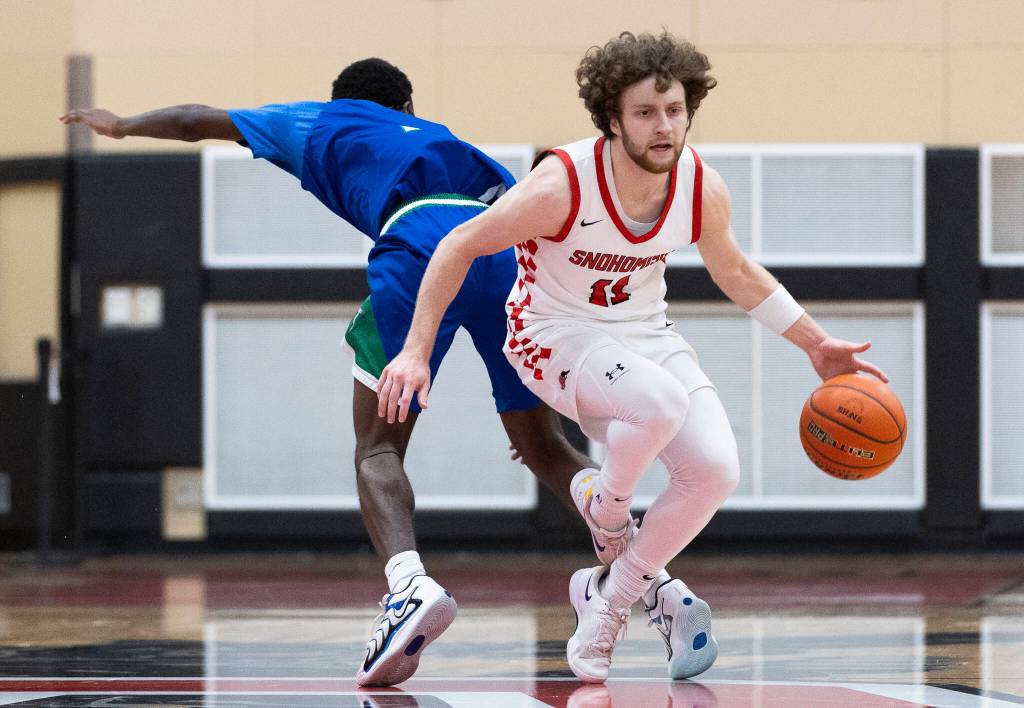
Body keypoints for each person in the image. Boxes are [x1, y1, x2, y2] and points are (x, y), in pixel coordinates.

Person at [59, 57, 595, 687]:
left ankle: (408, 586)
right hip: (505, 251)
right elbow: (537, 227)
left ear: (343, 101)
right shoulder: (452, 141)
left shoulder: (314, 120)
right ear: (408, 110)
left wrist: (121, 125)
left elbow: (193, 120)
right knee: (545, 443)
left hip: (420, 242)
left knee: (377, 448)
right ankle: (648, 570)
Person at [377, 31, 889, 684]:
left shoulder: (700, 186)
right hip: (550, 336)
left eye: (674, 110)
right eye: (646, 112)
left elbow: (734, 271)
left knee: (715, 471)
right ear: (612, 119)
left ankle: (608, 600)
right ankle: (607, 511)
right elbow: (458, 245)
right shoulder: (562, 183)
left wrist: (815, 342)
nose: (664, 126)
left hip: (643, 339)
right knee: (660, 403)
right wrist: (417, 352)